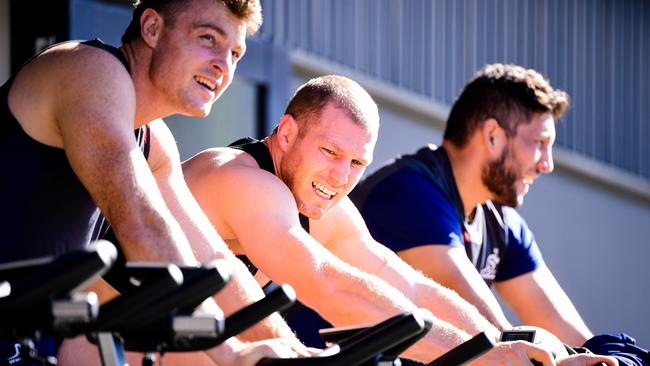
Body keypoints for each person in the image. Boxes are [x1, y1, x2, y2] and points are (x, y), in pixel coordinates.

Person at [183, 74, 616, 365]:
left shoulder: (320, 203)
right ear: (288, 133)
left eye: (357, 162)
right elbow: (332, 287)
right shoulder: (241, 180)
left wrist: (508, 349)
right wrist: (479, 358)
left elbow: (410, 287)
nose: (341, 177)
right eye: (330, 153)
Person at [0, 0, 305, 365]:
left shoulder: (153, 141)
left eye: (235, 53)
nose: (223, 66)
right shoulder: (88, 70)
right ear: (152, 28)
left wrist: (294, 354)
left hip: (24, 339)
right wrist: (229, 350)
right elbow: (142, 226)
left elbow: (208, 259)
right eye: (208, 38)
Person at [349, 64, 628, 363]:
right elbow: (493, 341)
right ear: (493, 135)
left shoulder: (502, 223)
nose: (547, 164)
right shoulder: (409, 193)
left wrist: (614, 357)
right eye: (539, 144)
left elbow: (575, 337)